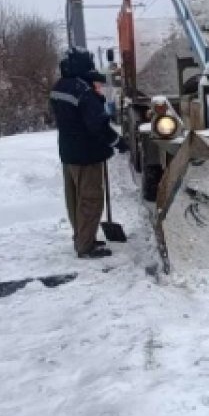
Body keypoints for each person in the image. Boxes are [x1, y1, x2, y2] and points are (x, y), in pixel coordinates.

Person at [50, 49, 124, 259]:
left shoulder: (59, 87)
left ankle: (81, 236)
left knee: (74, 199)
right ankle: (86, 245)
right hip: (86, 154)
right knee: (91, 199)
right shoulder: (83, 91)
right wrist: (118, 142)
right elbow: (97, 125)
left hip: (68, 153)